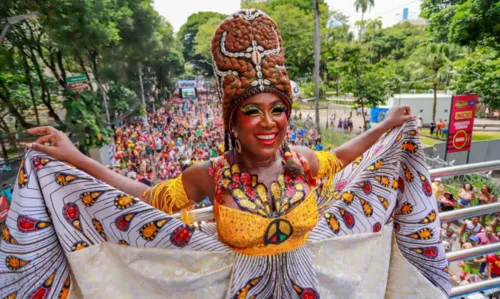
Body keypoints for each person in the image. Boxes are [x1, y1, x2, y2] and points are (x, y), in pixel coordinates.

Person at [4, 10, 449, 298]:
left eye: (278, 110)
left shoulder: (302, 162)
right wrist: (76, 156)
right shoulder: (211, 174)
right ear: (232, 121)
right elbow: (149, 198)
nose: (268, 122)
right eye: (252, 111)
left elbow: (341, 156)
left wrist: (387, 125)